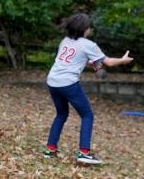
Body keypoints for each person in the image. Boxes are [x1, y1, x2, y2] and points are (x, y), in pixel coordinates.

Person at [44, 13, 133, 164]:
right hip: (68, 83)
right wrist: (123, 61)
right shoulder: (89, 45)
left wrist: (93, 65)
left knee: (61, 114)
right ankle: (84, 153)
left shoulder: (65, 41)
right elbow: (109, 62)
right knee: (87, 115)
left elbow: (73, 60)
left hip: (52, 81)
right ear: (85, 29)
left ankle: (50, 149)